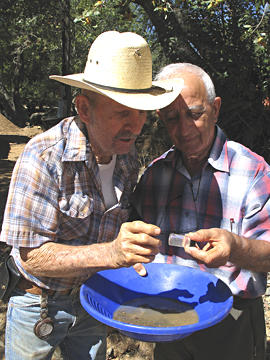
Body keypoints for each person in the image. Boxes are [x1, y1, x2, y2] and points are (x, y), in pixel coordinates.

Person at [0, 31, 183, 360]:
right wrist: (112, 254)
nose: (137, 125)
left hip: (93, 300)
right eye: (122, 112)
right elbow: (32, 257)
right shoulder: (42, 157)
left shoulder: (127, 157)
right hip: (38, 305)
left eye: (142, 112)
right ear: (85, 108)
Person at [131, 63, 270, 360]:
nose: (184, 129)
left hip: (232, 319)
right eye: (172, 118)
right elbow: (132, 245)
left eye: (195, 114)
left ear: (215, 109)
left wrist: (236, 247)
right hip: (167, 318)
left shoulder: (253, 171)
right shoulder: (154, 176)